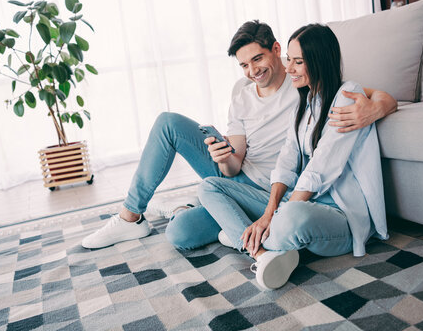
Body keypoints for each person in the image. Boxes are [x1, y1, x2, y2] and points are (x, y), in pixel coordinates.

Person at [81, 20, 396, 250]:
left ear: (274, 51)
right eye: (244, 65)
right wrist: (224, 159)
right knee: (168, 123)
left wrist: (377, 108)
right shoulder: (245, 97)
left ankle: (193, 214)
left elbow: (368, 94)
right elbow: (235, 165)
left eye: (258, 59)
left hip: (278, 190)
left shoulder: (302, 85)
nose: (253, 71)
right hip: (245, 179)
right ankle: (130, 216)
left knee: (182, 233)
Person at [197, 24, 388, 290]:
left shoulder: (346, 96)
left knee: (291, 216)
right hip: (297, 200)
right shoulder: (305, 100)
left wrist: (274, 216)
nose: (289, 68)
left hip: (337, 214)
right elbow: (287, 159)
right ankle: (262, 254)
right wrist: (269, 210)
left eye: (298, 61)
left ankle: (240, 235)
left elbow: (321, 167)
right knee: (208, 186)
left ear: (319, 60)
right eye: (290, 59)